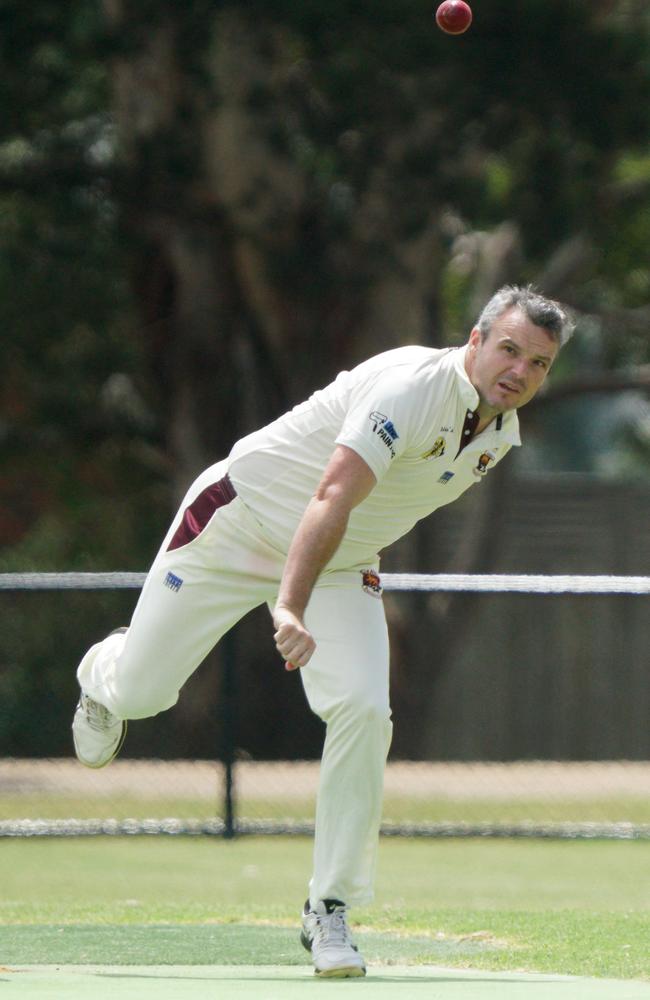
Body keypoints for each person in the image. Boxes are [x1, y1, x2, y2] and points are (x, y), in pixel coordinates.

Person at [72, 284, 573, 978]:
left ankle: (329, 907)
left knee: (366, 710)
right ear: (476, 340)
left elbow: (369, 514)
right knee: (143, 693)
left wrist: (314, 589)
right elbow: (332, 494)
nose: (520, 371)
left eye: (540, 363)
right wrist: (288, 604)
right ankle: (103, 675)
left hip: (339, 565)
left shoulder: (501, 436)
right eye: (511, 349)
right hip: (235, 526)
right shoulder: (407, 387)